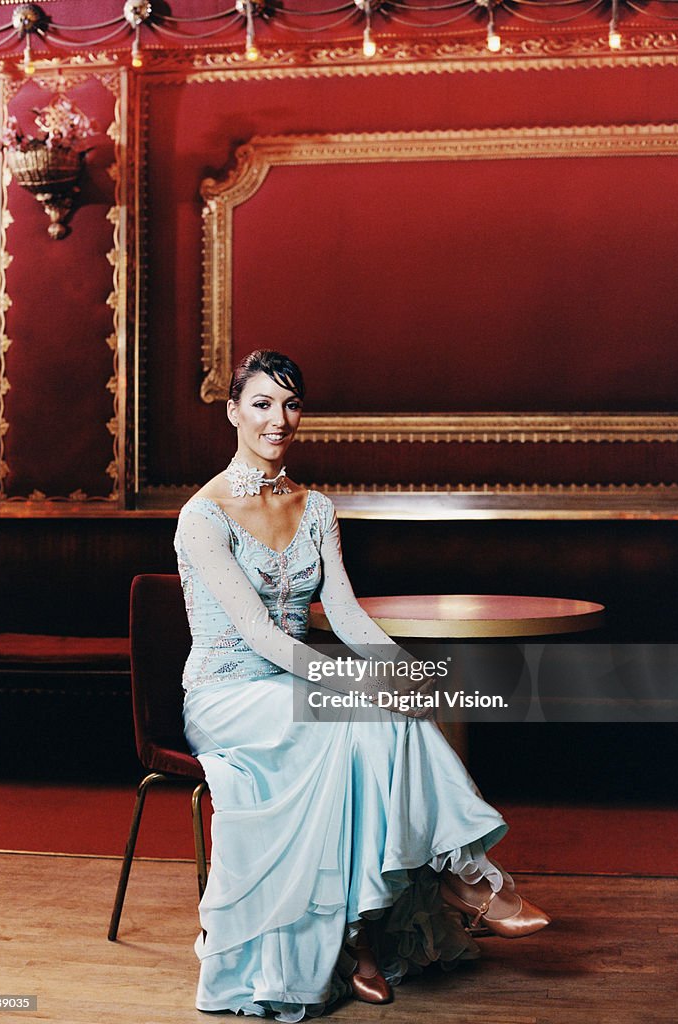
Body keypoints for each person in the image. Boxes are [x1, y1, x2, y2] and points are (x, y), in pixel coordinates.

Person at [174, 349, 549, 1021]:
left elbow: (344, 612)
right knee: (360, 713)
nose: (277, 419)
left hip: (291, 691)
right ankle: (455, 879)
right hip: (227, 696)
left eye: (290, 404)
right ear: (233, 412)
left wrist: (401, 670)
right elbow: (261, 638)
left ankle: (369, 931)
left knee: (388, 717)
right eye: (261, 403)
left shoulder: (315, 507)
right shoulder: (202, 515)